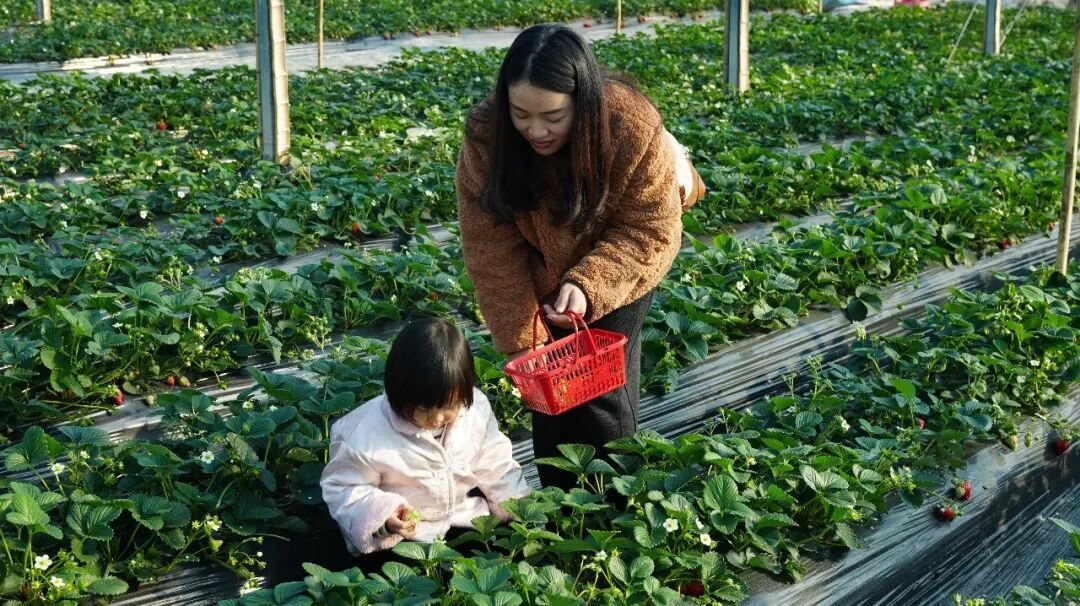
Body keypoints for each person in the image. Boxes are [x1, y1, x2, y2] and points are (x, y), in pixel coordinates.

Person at [456, 23, 704, 489]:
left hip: (621, 264)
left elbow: (650, 228)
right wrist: (522, 337)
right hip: (542, 268)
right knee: (550, 392)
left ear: (582, 101)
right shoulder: (489, 136)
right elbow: (490, 246)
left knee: (600, 391)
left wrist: (588, 284)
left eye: (553, 116)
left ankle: (618, 501)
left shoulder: (630, 125)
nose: (535, 130)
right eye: (521, 114)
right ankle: (563, 504)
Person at [320, 317, 531, 555]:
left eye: (448, 407)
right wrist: (385, 516)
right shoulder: (364, 434)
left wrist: (517, 505)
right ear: (399, 392)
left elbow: (493, 459)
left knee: (500, 554)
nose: (437, 419)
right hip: (407, 533)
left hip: (465, 517)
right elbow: (344, 489)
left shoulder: (475, 410)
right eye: (423, 409)